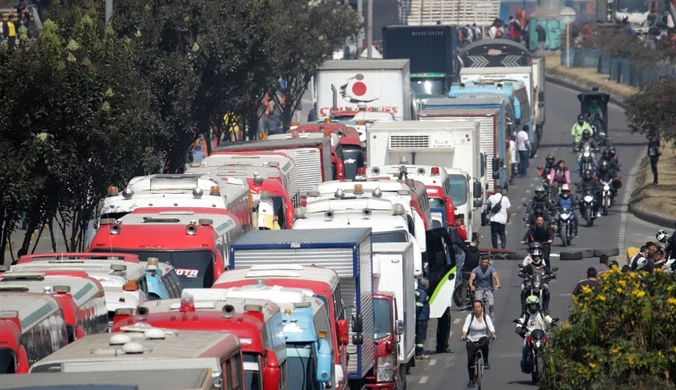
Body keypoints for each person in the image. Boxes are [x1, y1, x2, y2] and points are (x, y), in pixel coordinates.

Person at [461, 300, 496, 388]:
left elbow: (491, 326)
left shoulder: (485, 316)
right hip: (471, 339)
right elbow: (465, 326)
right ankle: (471, 379)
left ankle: (486, 361)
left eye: (478, 306)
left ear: (482, 307)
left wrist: (493, 333)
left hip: (482, 338)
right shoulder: (470, 316)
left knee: (484, 341)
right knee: (470, 360)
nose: (477, 308)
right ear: (473, 308)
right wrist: (463, 335)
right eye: (475, 307)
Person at [515, 295, 552, 373]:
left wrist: (552, 322)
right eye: (532, 305)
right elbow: (520, 321)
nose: (533, 306)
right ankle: (525, 363)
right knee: (525, 349)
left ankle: (552, 364)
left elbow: (548, 319)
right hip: (529, 336)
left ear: (538, 304)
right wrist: (518, 327)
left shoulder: (541, 313)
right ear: (528, 305)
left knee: (549, 348)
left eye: (535, 304)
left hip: (542, 335)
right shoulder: (525, 314)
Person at [518, 248, 553, 315]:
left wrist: (548, 276)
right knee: (524, 291)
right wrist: (526, 276)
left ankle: (545, 308)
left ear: (540, 257)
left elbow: (551, 273)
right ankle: (523, 309)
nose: (536, 258)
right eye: (535, 257)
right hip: (531, 284)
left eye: (538, 257)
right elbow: (520, 272)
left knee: (547, 292)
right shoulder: (529, 266)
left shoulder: (544, 267)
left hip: (542, 284)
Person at [468, 255, 501, 320]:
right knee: (478, 305)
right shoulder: (476, 269)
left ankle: (491, 322)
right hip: (479, 290)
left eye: (486, 262)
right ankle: (478, 319)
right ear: (481, 262)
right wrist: (471, 286)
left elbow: (495, 277)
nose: (485, 264)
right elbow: (471, 278)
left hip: (489, 290)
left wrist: (498, 284)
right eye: (484, 262)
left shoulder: (491, 269)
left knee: (491, 305)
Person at [415, 278, 430, 360]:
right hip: (422, 318)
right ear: (426, 285)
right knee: (421, 336)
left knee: (417, 335)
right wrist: (417, 315)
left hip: (419, 317)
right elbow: (419, 305)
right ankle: (420, 353)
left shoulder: (417, 291)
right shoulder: (423, 293)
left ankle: (418, 352)